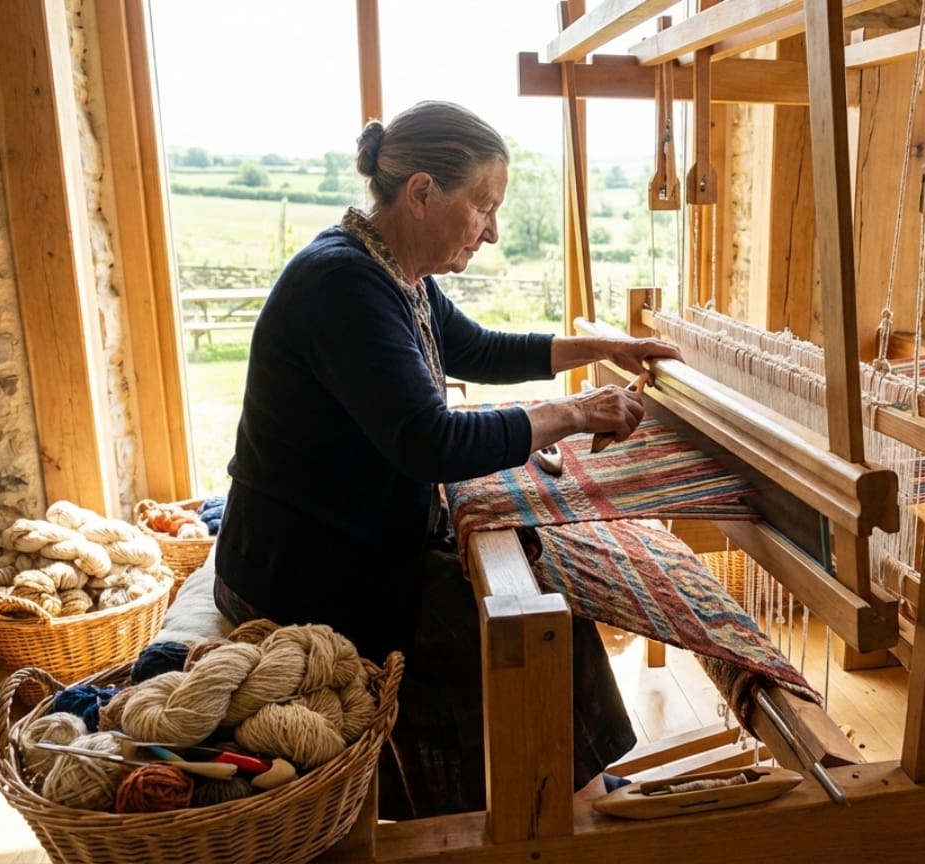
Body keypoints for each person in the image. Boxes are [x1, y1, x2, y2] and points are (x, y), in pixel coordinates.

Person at [212, 100, 680, 817]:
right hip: (298, 573)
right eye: (483, 206)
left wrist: (603, 349)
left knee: (547, 597)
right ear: (423, 193)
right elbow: (431, 440)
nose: (492, 231)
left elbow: (478, 349)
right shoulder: (342, 284)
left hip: (346, 545)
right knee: (526, 629)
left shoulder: (395, 272)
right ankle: (547, 807)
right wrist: (577, 414)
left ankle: (567, 790)